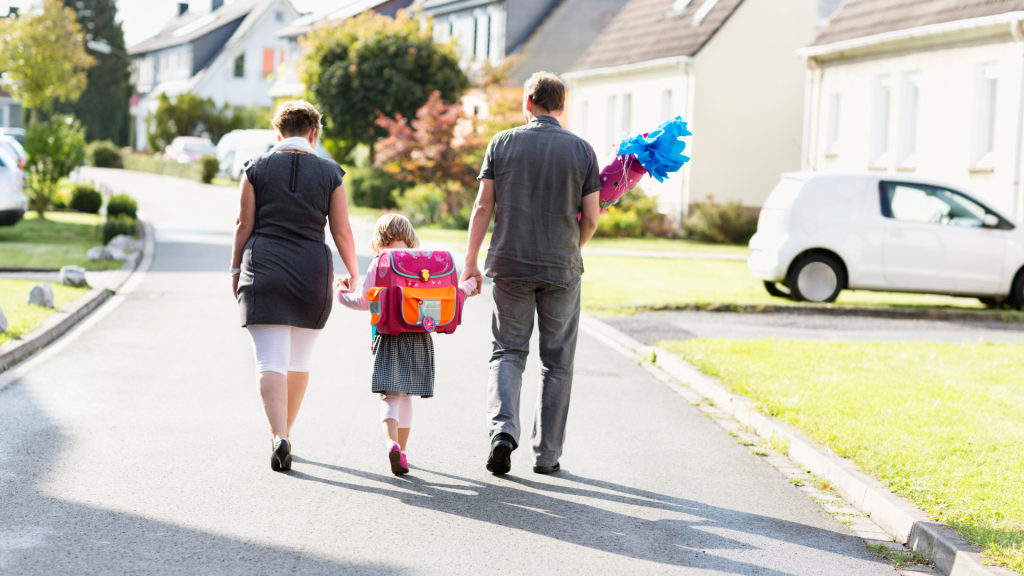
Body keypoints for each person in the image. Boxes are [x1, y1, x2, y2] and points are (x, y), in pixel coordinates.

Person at [460, 71, 601, 475]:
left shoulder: (502, 143)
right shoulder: (581, 150)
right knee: (557, 364)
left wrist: (470, 261)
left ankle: (502, 432)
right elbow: (591, 217)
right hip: (562, 267)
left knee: (508, 351)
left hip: (510, 264)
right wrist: (572, 248)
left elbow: (483, 207)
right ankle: (547, 456)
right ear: (561, 107)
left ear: (527, 103)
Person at [231, 100, 359, 472]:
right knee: (299, 360)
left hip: (263, 269)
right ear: (314, 133)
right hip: (311, 272)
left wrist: (235, 269)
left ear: (278, 133)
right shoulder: (331, 173)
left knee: (269, 359)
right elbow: (341, 230)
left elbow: (243, 224)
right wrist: (353, 271)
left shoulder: (255, 169)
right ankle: (286, 433)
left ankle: (279, 436)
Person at [337, 214, 477, 475]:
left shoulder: (381, 262)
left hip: (388, 337)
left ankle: (391, 444)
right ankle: (402, 450)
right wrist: (468, 284)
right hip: (419, 338)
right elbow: (450, 295)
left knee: (390, 397)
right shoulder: (428, 264)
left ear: (379, 240)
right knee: (407, 396)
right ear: (410, 238)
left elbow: (365, 302)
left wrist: (341, 295)